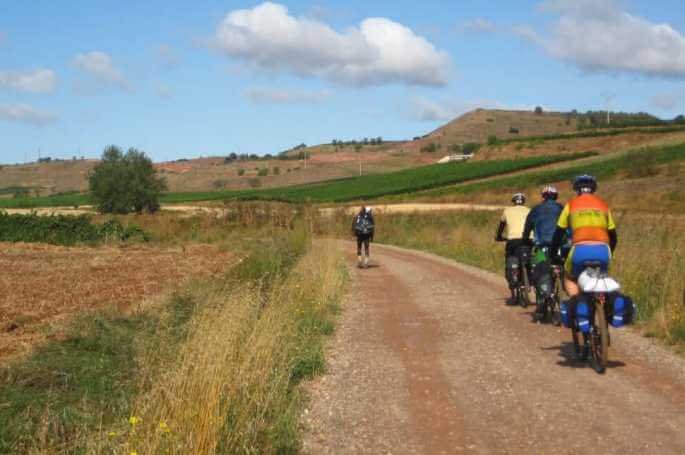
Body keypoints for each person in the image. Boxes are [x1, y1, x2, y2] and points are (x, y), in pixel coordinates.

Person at [551, 175, 617, 319]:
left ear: (576, 189)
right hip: (603, 251)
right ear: (594, 189)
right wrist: (609, 252)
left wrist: (553, 257)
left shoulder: (571, 205)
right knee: (601, 277)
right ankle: (603, 306)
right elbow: (613, 236)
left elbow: (558, 234)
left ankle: (577, 305)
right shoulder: (603, 205)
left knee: (570, 278)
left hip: (580, 250)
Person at [523, 185, 564, 319]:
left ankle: (541, 304)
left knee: (537, 271)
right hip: (561, 247)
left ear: (543, 197)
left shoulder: (536, 210)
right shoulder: (561, 208)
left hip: (542, 248)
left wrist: (525, 241)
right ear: (556, 197)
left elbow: (527, 228)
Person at [495, 193, 531, 304]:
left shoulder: (507, 211)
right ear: (523, 201)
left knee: (510, 260)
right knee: (530, 258)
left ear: (513, 202)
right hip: (528, 240)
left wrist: (499, 237)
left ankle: (514, 290)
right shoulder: (529, 210)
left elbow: (501, 226)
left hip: (513, 241)